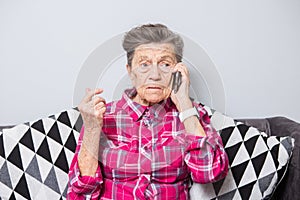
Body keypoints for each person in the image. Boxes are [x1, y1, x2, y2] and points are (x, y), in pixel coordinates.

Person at [67, 23, 229, 200]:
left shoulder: (191, 114)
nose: (155, 75)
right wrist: (91, 129)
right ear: (130, 71)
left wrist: (184, 103)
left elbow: (209, 173)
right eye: (144, 64)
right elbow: (82, 192)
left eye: (165, 64)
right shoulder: (102, 116)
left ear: (178, 71)